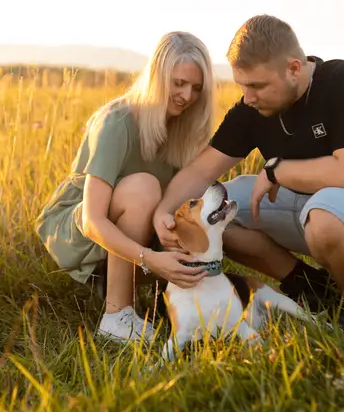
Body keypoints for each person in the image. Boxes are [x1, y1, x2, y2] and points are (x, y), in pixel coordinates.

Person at [153, 14, 344, 337]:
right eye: (242, 86)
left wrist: (278, 170)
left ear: (293, 68)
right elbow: (201, 170)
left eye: (256, 86)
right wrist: (163, 213)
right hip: (306, 209)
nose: (247, 97)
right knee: (220, 214)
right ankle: (311, 287)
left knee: (325, 216)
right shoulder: (253, 108)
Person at [35, 31, 216, 343]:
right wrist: (150, 258)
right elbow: (92, 221)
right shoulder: (117, 121)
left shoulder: (183, 129)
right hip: (81, 232)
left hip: (136, 232)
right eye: (178, 83)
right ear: (158, 77)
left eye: (196, 88)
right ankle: (117, 316)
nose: (187, 96)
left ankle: (183, 301)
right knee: (142, 187)